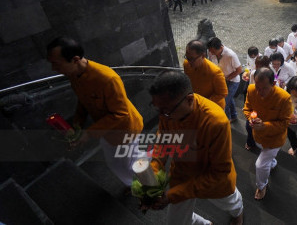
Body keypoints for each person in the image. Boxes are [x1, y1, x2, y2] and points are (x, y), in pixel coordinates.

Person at [147, 71, 243, 224]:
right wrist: (154, 170)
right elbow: (163, 139)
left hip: (212, 179)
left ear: (189, 99)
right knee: (176, 222)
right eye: (157, 109)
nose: (162, 115)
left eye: (165, 110)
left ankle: (238, 214)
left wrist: (172, 195)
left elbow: (219, 172)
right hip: (182, 174)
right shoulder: (167, 113)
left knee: (231, 202)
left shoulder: (216, 122)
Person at [46, 37, 143, 187]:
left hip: (125, 131)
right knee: (116, 163)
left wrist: (88, 133)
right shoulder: (74, 75)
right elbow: (83, 101)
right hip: (105, 130)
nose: (53, 69)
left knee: (131, 164)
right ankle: (134, 184)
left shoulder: (107, 78)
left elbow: (121, 114)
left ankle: (151, 186)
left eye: (56, 64)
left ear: (75, 59)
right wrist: (77, 127)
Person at [243, 67, 292, 200]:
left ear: (274, 84)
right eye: (257, 87)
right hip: (257, 135)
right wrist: (251, 119)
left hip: (274, 139)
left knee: (260, 165)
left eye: (264, 88)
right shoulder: (251, 89)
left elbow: (284, 123)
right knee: (267, 158)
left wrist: (264, 125)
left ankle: (261, 185)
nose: (259, 92)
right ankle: (273, 163)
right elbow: (247, 108)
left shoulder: (284, 98)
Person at [183, 40, 228, 109]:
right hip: (196, 104)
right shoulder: (186, 64)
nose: (189, 62)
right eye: (187, 57)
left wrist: (202, 103)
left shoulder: (215, 72)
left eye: (192, 59)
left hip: (213, 107)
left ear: (203, 56)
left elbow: (222, 93)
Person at [207, 37, 242, 122]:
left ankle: (227, 120)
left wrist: (226, 78)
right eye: (210, 51)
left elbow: (239, 70)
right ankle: (233, 116)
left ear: (220, 48)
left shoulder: (231, 55)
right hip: (222, 79)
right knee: (229, 98)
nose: (211, 53)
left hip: (233, 81)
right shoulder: (211, 52)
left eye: (213, 51)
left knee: (224, 101)